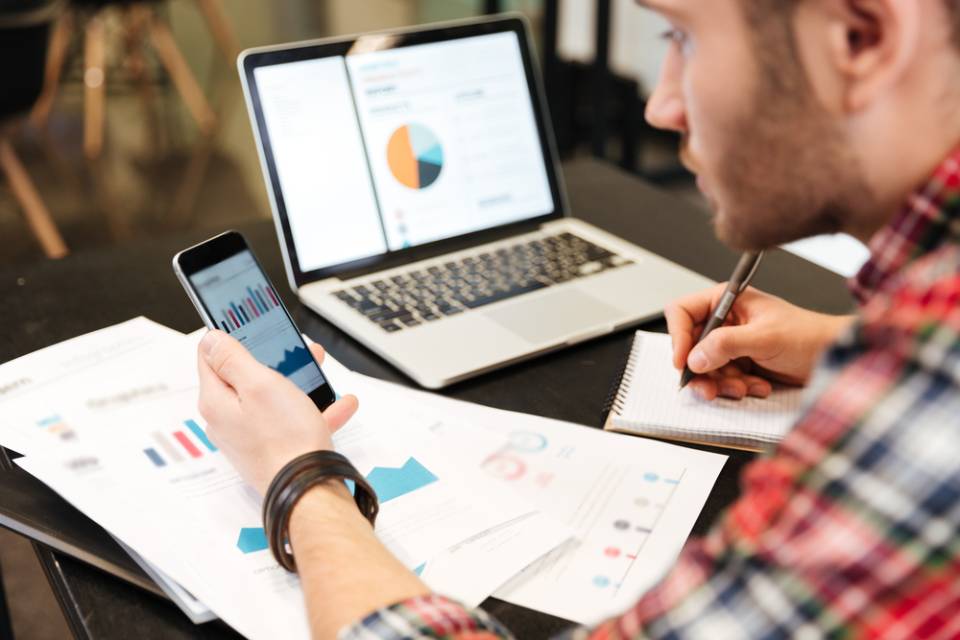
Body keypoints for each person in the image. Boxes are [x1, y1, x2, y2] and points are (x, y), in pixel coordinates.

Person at [196, 0, 960, 637]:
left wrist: (301, 476)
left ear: (861, 37)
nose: (660, 106)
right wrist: (838, 343)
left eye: (685, 37)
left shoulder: (930, 393)